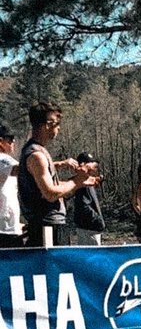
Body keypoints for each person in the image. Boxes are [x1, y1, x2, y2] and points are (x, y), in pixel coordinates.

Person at [18, 101, 100, 247]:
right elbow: (49, 193)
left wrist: (80, 182)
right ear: (47, 124)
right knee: (50, 269)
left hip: (52, 225)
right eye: (57, 123)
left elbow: (48, 187)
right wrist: (76, 181)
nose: (59, 128)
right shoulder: (36, 155)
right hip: (46, 227)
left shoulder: (39, 151)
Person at [73, 151, 106, 244]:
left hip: (89, 229)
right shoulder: (82, 182)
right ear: (83, 165)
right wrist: (98, 222)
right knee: (92, 258)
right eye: (91, 163)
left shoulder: (87, 181)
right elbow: (83, 206)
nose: (94, 166)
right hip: (89, 230)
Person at [0, 122, 22, 248]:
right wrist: (58, 164)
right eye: (10, 139)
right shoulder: (2, 158)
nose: (13, 142)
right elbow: (24, 169)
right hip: (4, 230)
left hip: (9, 226)